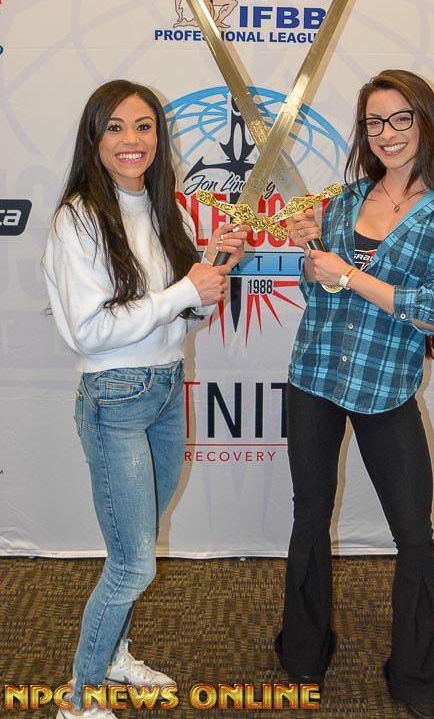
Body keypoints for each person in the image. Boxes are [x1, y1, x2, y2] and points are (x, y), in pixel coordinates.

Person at [275, 70, 434, 719]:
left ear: (426, 122)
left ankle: (418, 675)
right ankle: (303, 651)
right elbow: (320, 293)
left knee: (414, 534)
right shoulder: (346, 199)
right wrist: (311, 251)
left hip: (385, 387)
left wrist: (348, 273)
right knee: (310, 516)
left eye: (401, 119)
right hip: (314, 377)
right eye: (374, 122)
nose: (388, 133)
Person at [42, 79, 248, 718]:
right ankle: (79, 700)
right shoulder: (78, 218)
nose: (132, 140)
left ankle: (115, 654)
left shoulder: (162, 209)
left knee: (135, 548)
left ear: (159, 136)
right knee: (134, 565)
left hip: (164, 388)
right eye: (115, 127)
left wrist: (211, 273)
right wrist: (183, 291)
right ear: (93, 138)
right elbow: (90, 331)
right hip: (114, 399)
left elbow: (181, 318)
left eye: (144, 126)